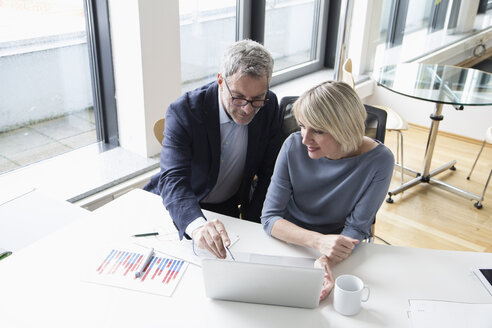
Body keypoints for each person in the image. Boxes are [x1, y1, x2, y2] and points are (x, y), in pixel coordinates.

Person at [144, 40, 282, 259]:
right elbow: (173, 178)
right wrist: (196, 225)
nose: (247, 109)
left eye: (256, 99)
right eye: (238, 97)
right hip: (179, 207)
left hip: (226, 209)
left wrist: (255, 227)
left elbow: (269, 174)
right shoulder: (184, 112)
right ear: (220, 81)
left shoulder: (270, 106)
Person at [261, 81, 394, 300]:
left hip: (339, 248)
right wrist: (317, 242)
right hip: (288, 240)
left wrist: (325, 259)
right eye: (302, 125)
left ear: (344, 129)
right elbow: (270, 218)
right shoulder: (292, 146)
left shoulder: (380, 161)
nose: (305, 138)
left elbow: (357, 228)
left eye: (318, 130)